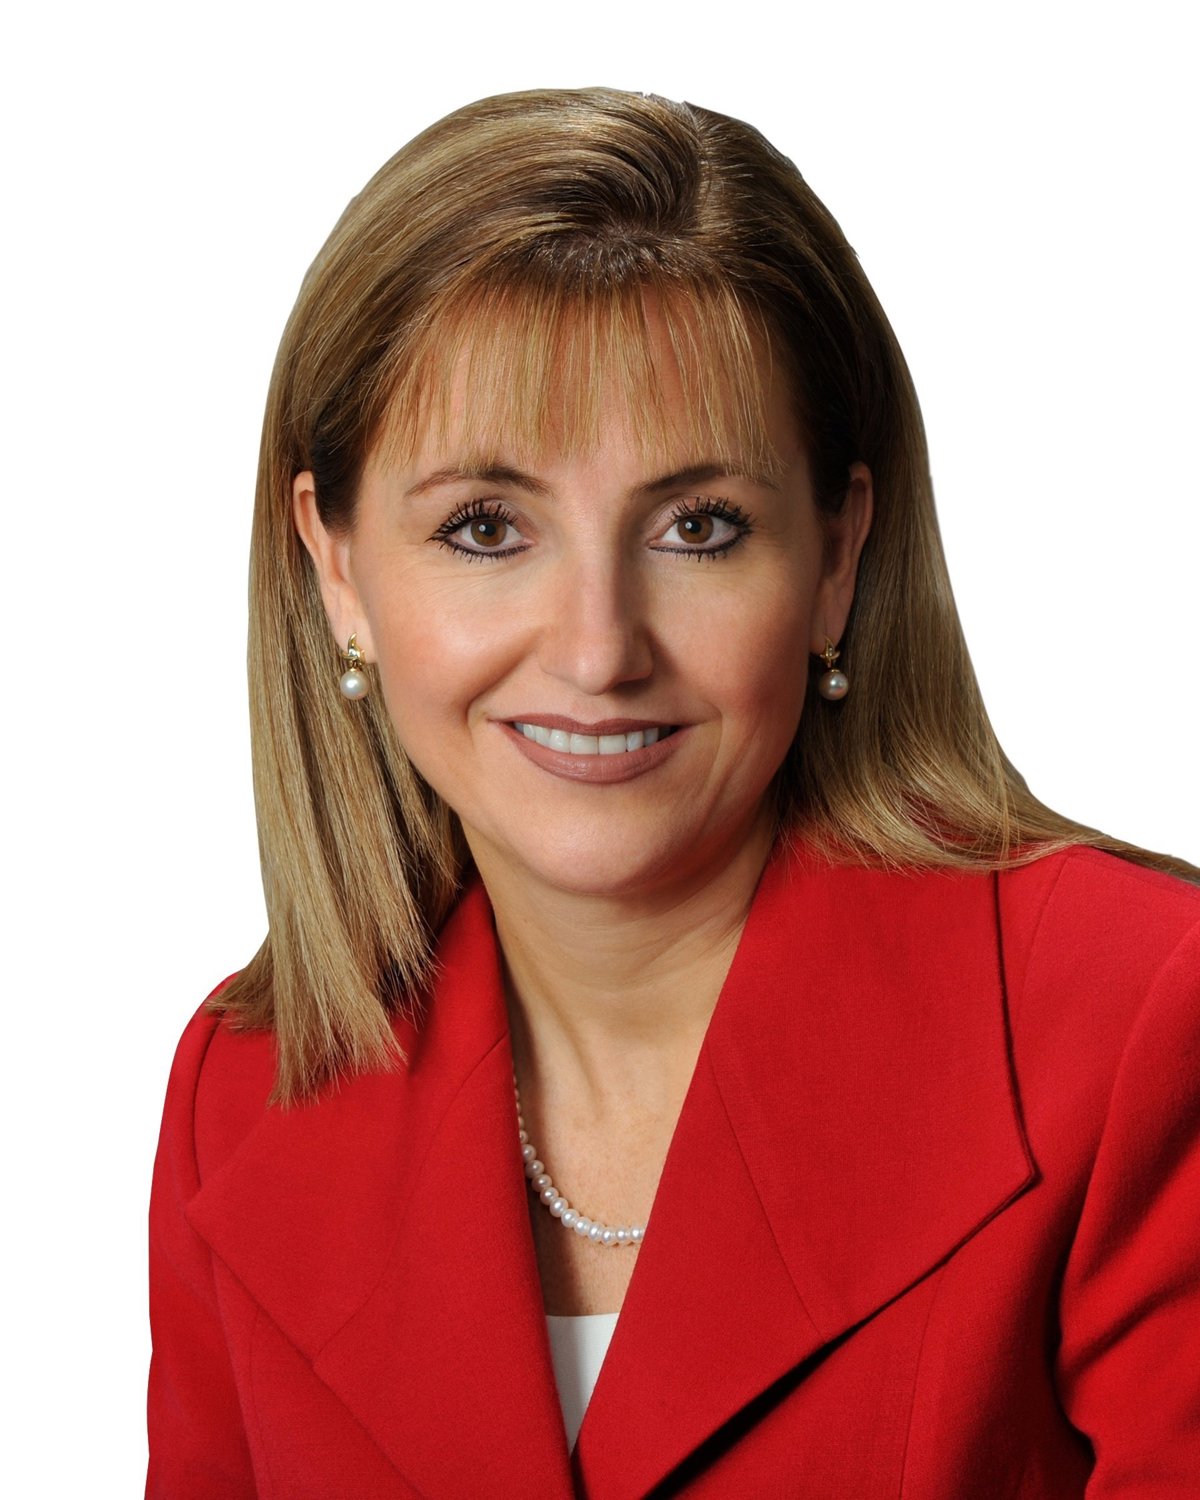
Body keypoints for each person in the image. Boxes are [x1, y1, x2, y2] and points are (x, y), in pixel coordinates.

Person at [145, 87, 1200, 1499]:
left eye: (699, 527)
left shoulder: (1141, 1020)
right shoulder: (245, 1091)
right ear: (335, 569)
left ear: (836, 558)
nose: (598, 649)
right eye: (485, 528)